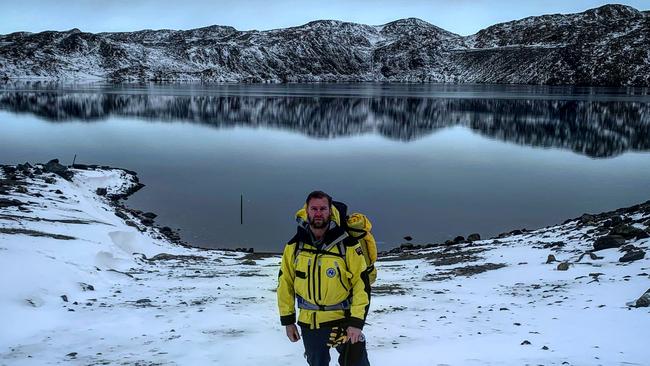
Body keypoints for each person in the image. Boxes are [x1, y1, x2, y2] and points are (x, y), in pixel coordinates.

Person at [277, 190, 371, 366]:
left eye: (323, 208)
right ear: (307, 210)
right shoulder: (294, 246)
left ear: (330, 211)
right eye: (314, 208)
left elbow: (361, 284)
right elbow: (285, 283)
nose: (318, 213)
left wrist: (357, 322)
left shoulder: (348, 245)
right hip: (310, 324)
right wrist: (288, 321)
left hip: (344, 321)